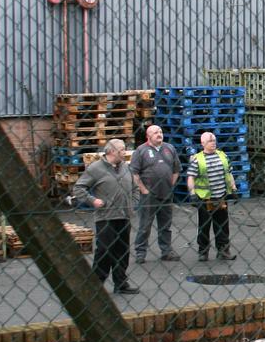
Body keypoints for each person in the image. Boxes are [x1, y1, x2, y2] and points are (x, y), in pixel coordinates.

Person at [73, 138, 140, 295]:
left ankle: (121, 283)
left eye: (124, 149)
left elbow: (135, 187)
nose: (124, 152)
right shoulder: (96, 168)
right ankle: (95, 285)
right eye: (121, 150)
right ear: (111, 151)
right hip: (106, 217)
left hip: (124, 216)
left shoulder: (125, 168)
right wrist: (93, 200)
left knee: (122, 251)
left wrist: (133, 202)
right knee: (104, 251)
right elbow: (79, 188)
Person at [130, 123, 181, 263]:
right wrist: (143, 190)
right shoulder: (141, 151)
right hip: (149, 196)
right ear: (148, 136)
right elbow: (134, 173)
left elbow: (176, 169)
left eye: (160, 131)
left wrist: (171, 184)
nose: (159, 134)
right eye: (155, 133)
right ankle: (140, 253)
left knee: (166, 225)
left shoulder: (169, 148)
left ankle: (166, 251)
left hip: (166, 194)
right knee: (145, 225)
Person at [186, 131, 238, 261]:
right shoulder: (197, 159)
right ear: (203, 143)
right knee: (204, 226)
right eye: (210, 141)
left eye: (214, 140)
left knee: (223, 225)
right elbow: (191, 177)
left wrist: (233, 189)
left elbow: (229, 173)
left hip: (220, 196)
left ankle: (223, 250)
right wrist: (192, 194)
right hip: (205, 198)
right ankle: (203, 252)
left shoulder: (223, 156)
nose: (213, 143)